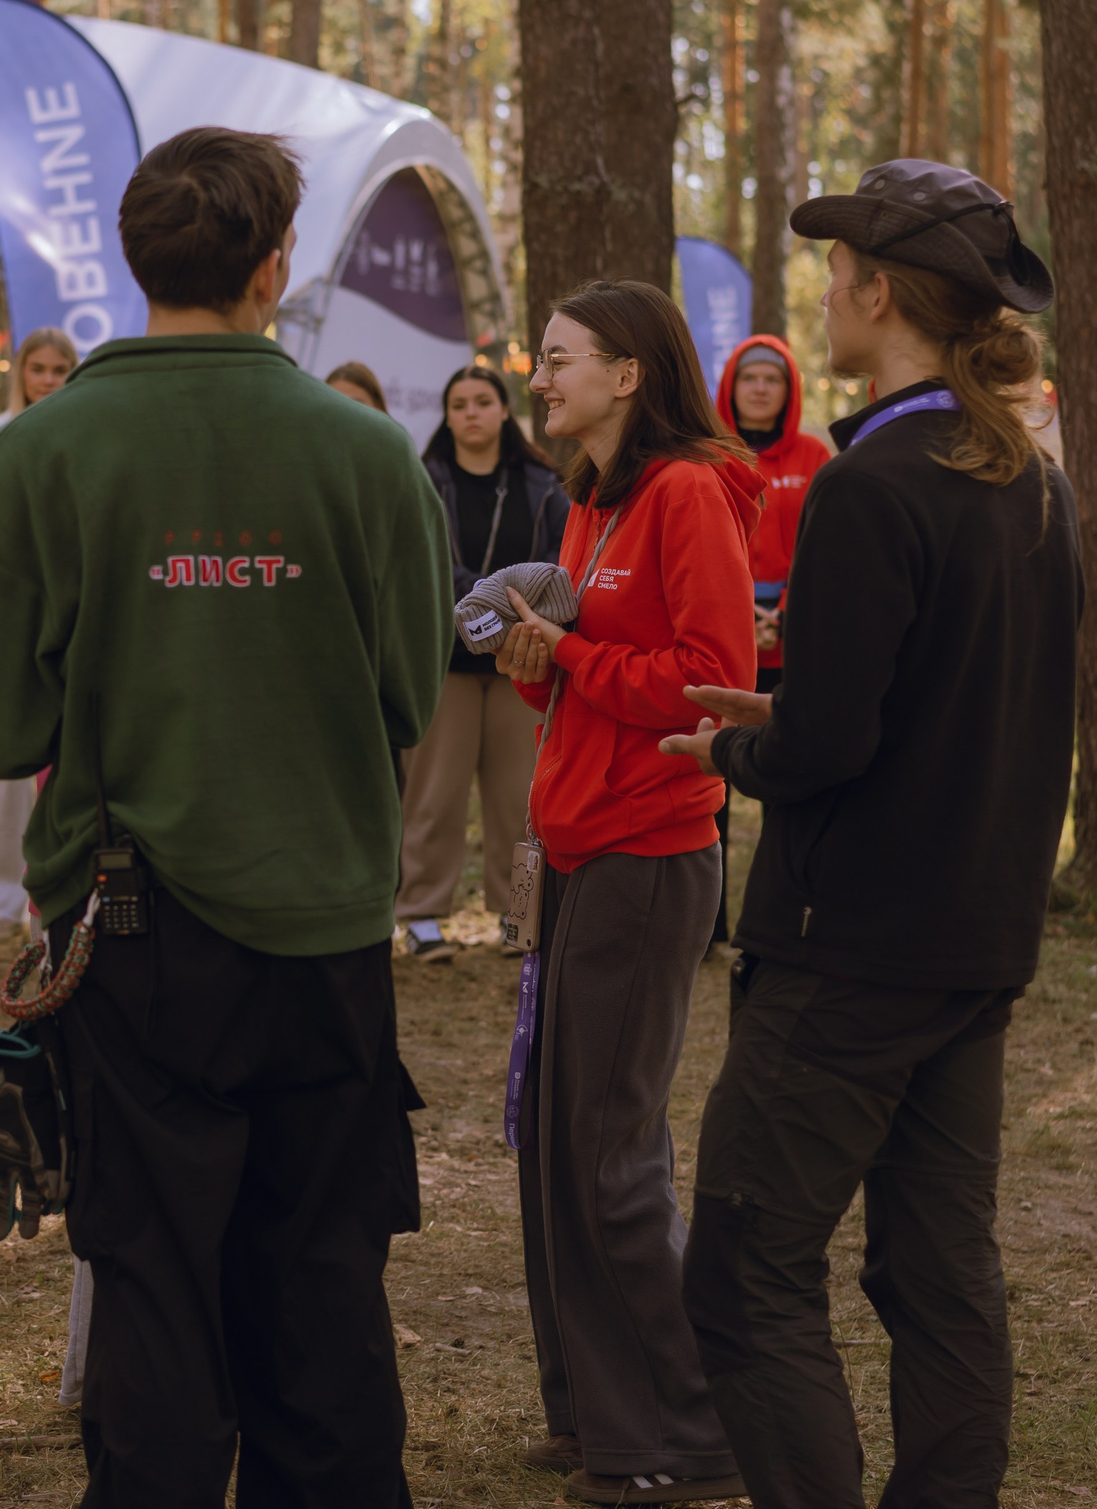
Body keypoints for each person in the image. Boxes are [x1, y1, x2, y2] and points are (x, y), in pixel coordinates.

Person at [0, 128, 449, 1509]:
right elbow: (412, 686)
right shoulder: (365, 454)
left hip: (133, 941)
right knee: (324, 1297)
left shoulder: (44, 452)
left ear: (129, 255)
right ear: (274, 266)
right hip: (326, 942)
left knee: (155, 1301)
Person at [662, 159, 1080, 1509]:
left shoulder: (868, 484)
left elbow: (836, 749)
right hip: (972, 942)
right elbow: (944, 702)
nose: (825, 296)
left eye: (837, 277)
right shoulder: (1024, 480)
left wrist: (738, 744)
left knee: (742, 1265)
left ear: (881, 293)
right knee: (934, 1265)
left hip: (850, 957)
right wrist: (786, 697)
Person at [489, 281, 758, 1506]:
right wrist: (544, 667)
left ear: (629, 373)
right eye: (537, 360)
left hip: (651, 861)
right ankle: (591, 1413)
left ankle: (686, 1431)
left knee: (609, 1155)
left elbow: (711, 680)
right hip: (582, 855)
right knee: (553, 1143)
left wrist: (578, 654)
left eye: (557, 359)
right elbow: (599, 685)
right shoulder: (589, 503)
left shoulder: (687, 494)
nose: (537, 379)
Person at [395, 364, 568, 962]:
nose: (470, 412)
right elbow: (426, 564)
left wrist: (511, 617)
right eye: (459, 403)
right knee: (433, 794)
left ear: (503, 411)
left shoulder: (544, 482)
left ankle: (516, 915)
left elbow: (557, 563)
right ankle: (420, 915)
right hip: (444, 661)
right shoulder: (422, 480)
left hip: (522, 661)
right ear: (447, 416)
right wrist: (492, 599)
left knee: (519, 798)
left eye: (482, 400)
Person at [705, 334, 832, 949]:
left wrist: (781, 613)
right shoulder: (706, 455)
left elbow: (825, 547)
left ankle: (786, 920)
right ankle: (707, 925)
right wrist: (740, 614)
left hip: (796, 645)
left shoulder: (814, 457)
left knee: (790, 782)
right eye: (749, 377)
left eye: (772, 379)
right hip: (726, 647)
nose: (759, 388)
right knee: (713, 785)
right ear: (730, 385)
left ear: (789, 390)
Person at [0, 324, 76, 944]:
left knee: (68, 765)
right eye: (40, 370)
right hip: (13, 618)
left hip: (68, 618)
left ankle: (56, 900)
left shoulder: (85, 435)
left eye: (61, 371)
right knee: (11, 770)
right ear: (20, 373)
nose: (49, 381)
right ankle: (1, 899)